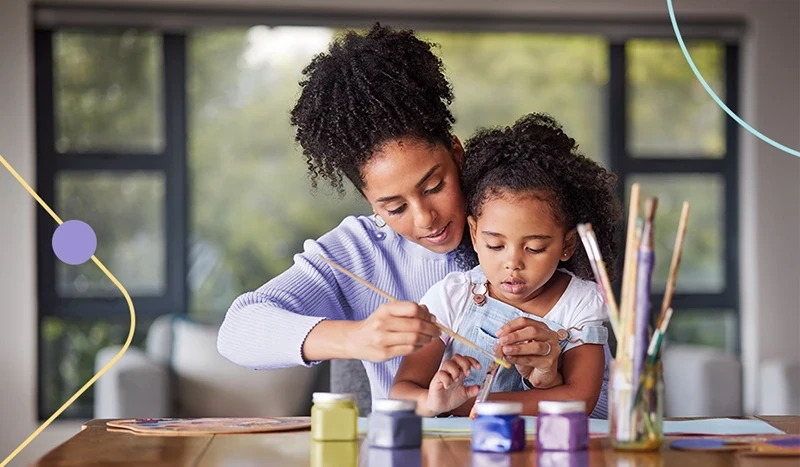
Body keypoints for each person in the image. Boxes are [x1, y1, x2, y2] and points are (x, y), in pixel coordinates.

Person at [216, 24, 563, 404]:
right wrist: (355, 338)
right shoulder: (359, 252)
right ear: (369, 202)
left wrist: (551, 371)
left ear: (455, 152)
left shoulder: (528, 230)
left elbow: (603, 405)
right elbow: (237, 330)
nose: (425, 218)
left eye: (434, 187)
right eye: (394, 207)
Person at [390, 113, 622, 418]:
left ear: (567, 245)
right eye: (495, 245)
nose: (512, 263)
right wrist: (434, 402)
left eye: (535, 247)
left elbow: (579, 400)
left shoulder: (579, 302)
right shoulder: (453, 297)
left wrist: (474, 405)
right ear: (474, 235)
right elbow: (402, 392)